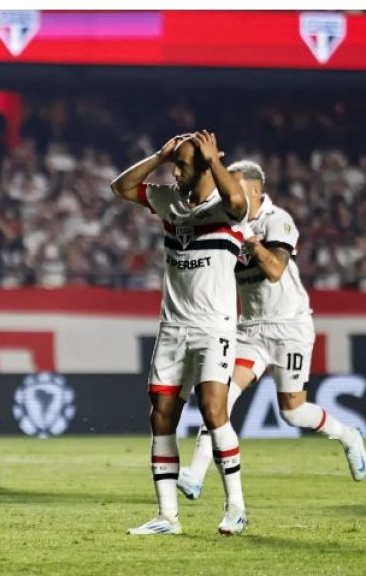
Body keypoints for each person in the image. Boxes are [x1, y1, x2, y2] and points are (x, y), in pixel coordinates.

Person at [176, 161, 366, 499]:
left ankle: (348, 435)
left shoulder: (277, 220)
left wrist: (247, 236)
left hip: (290, 326)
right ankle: (195, 474)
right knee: (219, 399)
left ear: (254, 191)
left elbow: (276, 270)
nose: (228, 194)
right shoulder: (227, 223)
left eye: (233, 187)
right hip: (250, 330)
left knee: (293, 412)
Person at [111, 130, 249, 535]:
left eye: (183, 165)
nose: (175, 172)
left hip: (214, 327)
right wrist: (159, 155)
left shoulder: (224, 204)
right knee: (162, 417)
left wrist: (213, 161)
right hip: (173, 327)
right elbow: (121, 187)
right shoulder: (169, 200)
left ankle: (236, 506)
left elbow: (240, 204)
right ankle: (167, 516)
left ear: (205, 165)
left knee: (213, 409)